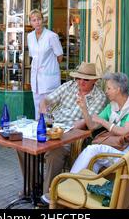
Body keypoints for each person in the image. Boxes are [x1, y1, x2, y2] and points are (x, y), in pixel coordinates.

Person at [17, 62, 107, 204]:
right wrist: (43, 110)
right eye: (79, 78)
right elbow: (46, 100)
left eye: (86, 79)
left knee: (55, 152)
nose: (81, 82)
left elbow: (86, 123)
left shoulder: (99, 97)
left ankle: (48, 195)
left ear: (95, 81)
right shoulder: (69, 86)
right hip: (51, 126)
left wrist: (69, 126)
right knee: (23, 147)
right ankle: (34, 186)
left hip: (71, 133)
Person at [70, 72, 129, 175]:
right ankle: (84, 187)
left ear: (118, 90)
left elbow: (125, 132)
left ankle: (71, 180)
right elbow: (92, 126)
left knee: (92, 149)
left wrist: (103, 121)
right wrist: (84, 109)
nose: (106, 91)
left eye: (108, 88)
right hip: (115, 146)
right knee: (92, 162)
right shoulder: (112, 106)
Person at [27, 9, 63, 119]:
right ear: (30, 22)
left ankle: (50, 132)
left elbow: (60, 56)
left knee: (49, 110)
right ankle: (38, 131)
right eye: (34, 20)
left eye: (39, 19)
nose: (37, 22)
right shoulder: (30, 36)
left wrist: (50, 68)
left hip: (49, 79)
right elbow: (33, 56)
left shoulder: (51, 36)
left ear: (43, 20)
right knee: (38, 108)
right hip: (36, 79)